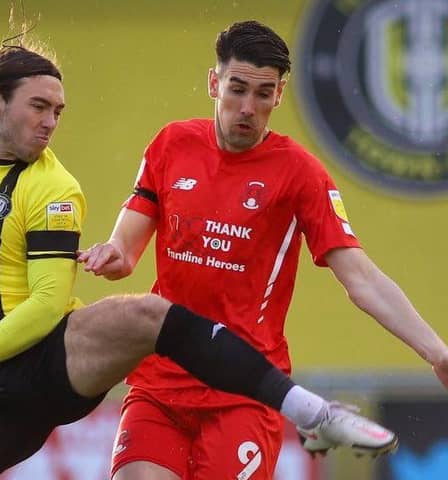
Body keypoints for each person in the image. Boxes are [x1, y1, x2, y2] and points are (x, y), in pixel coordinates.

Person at [0, 35, 401, 480]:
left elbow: (45, 306)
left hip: (47, 359)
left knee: (145, 315)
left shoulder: (53, 188)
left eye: (59, 111)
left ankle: (312, 411)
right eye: (40, 107)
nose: (51, 123)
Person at [78, 20, 448, 480]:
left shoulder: (299, 174)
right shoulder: (172, 144)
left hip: (245, 392)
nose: (248, 108)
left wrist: (436, 352)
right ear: (214, 83)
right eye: (237, 89)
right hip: (160, 382)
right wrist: (110, 254)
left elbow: (361, 278)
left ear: (280, 94)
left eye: (263, 93)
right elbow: (126, 252)